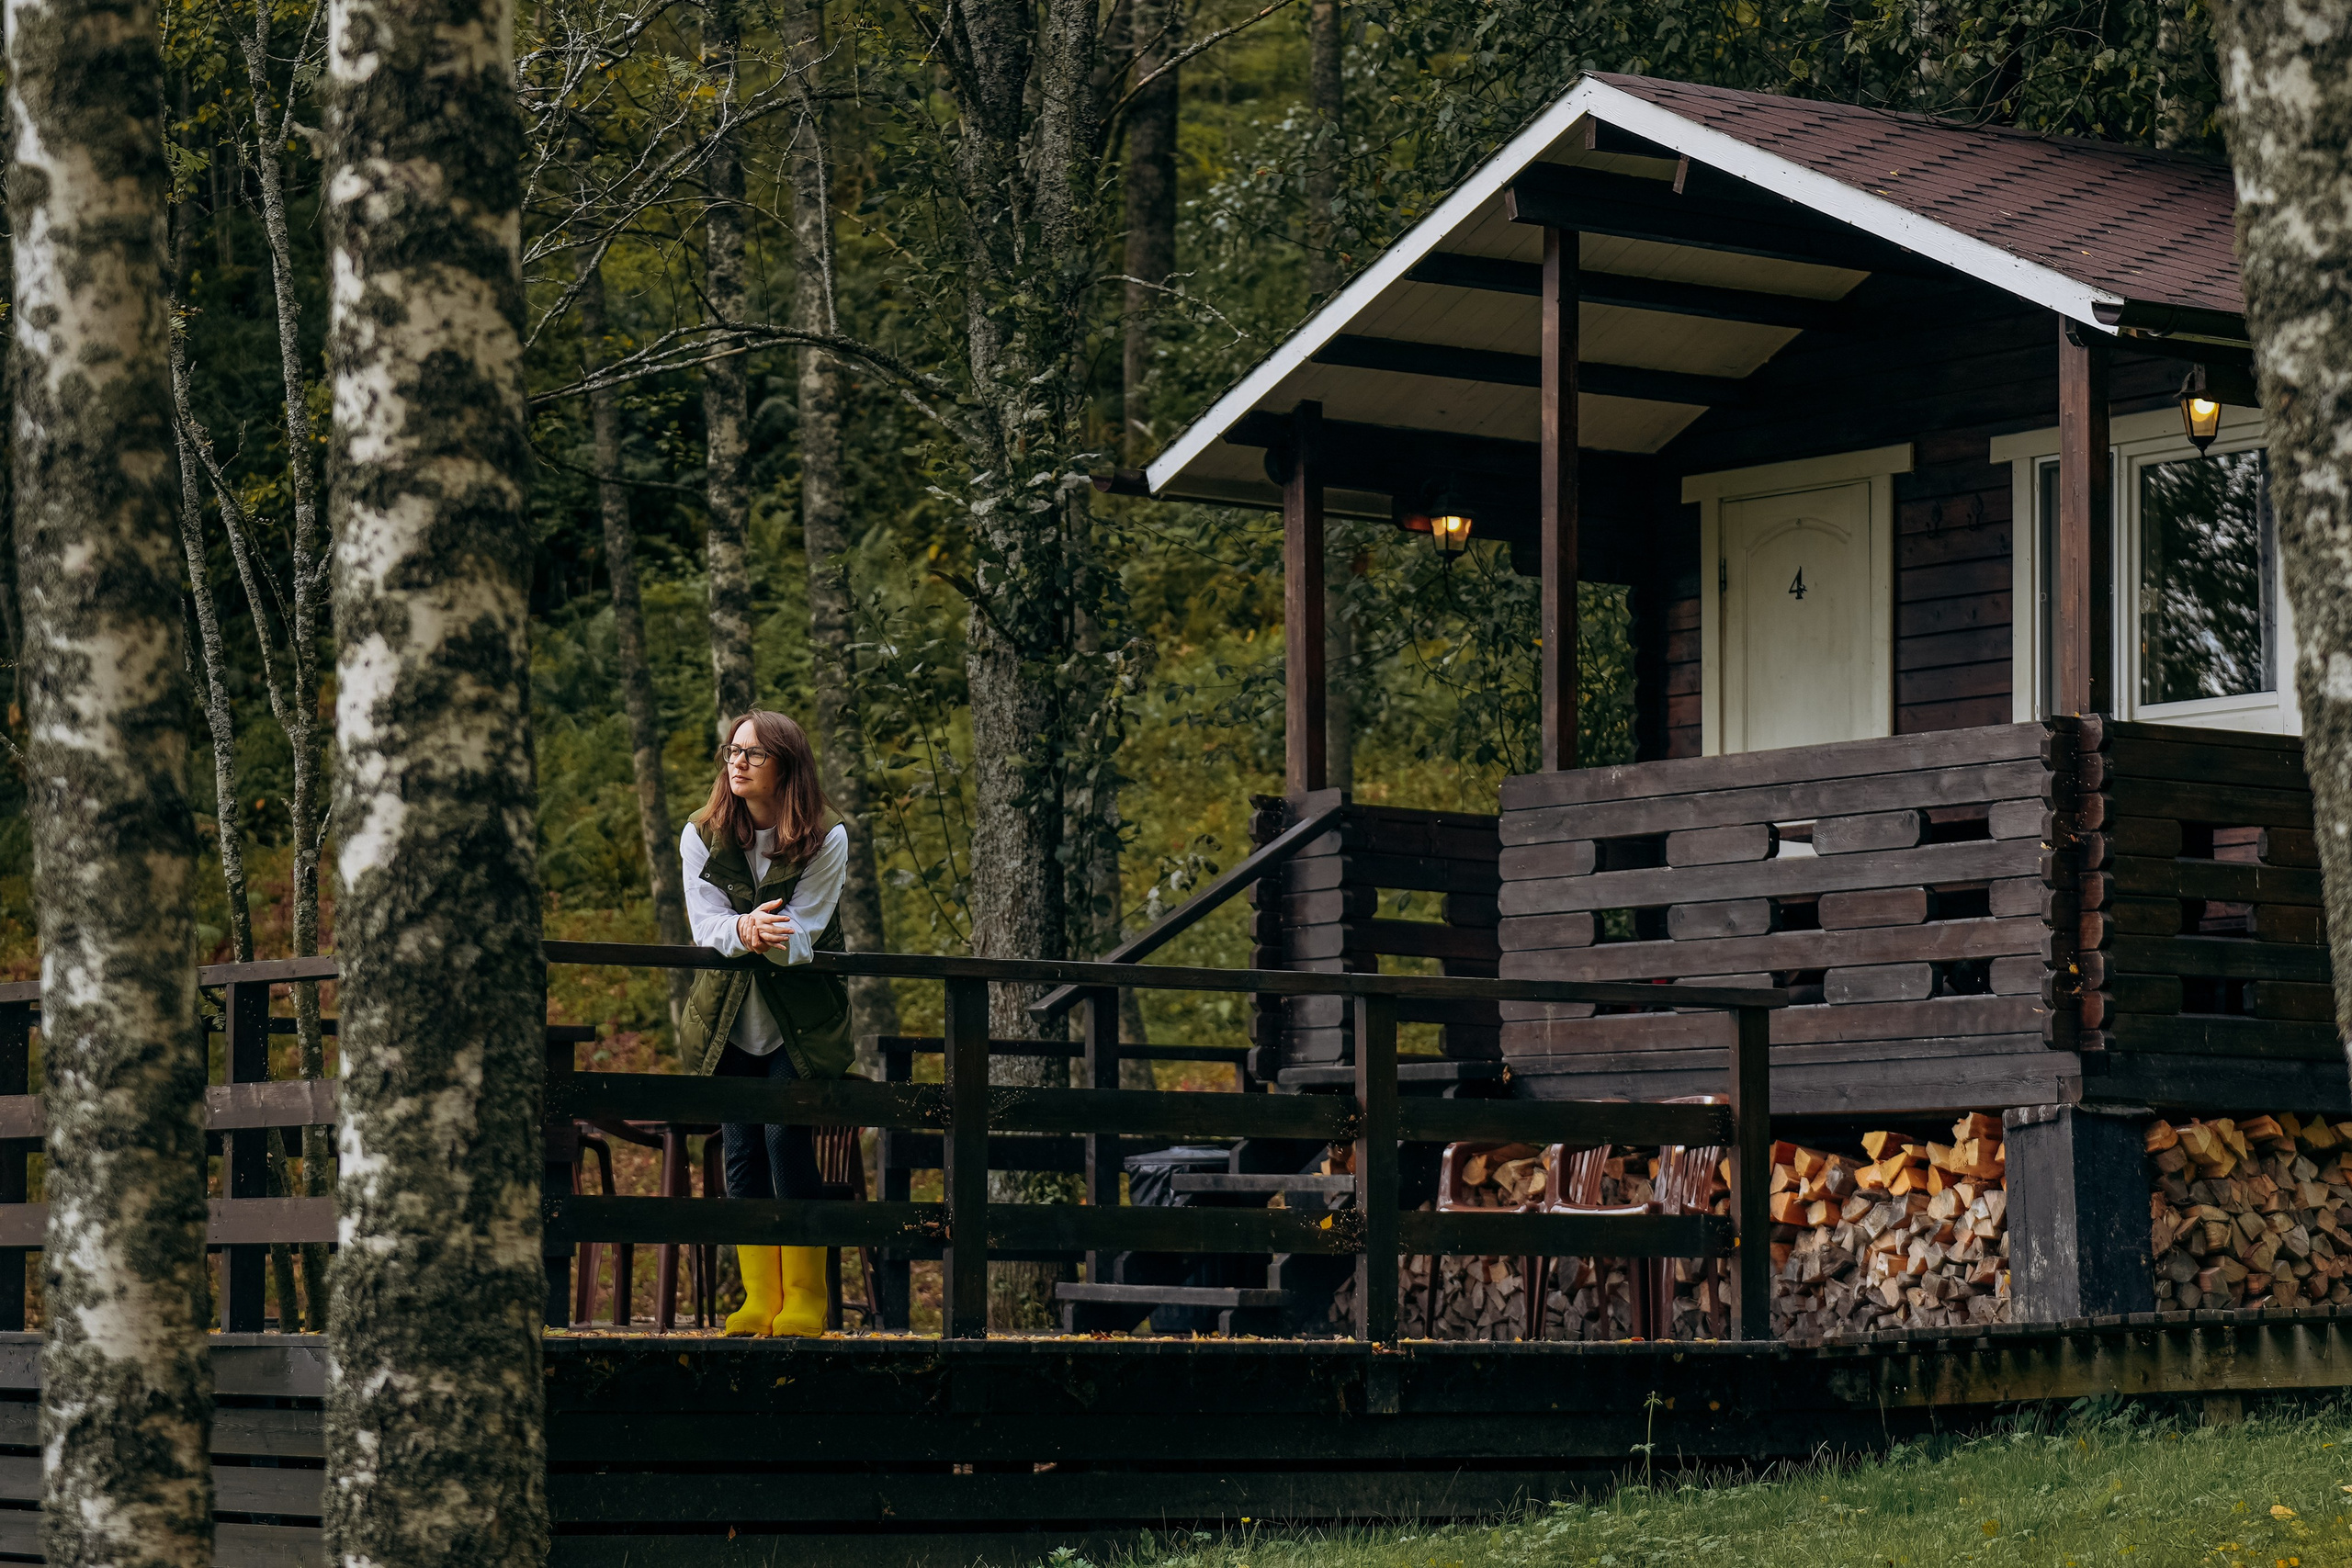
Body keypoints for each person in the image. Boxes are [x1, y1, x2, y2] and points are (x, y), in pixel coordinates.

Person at [677, 710, 854, 1337]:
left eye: (753, 752)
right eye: (733, 749)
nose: (738, 761)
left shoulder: (827, 836)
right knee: (743, 1149)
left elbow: (805, 929)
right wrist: (743, 929)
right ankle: (761, 1296)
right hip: (728, 1016)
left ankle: (806, 1297)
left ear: (786, 764)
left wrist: (758, 933)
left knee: (786, 1136)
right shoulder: (700, 834)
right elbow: (706, 928)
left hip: (799, 1020)